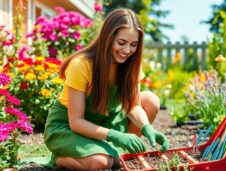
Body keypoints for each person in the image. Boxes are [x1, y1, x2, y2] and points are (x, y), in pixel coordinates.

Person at [44, 8, 169, 170]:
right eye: (121, 43)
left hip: (106, 120)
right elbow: (76, 122)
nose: (127, 51)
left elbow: (133, 105)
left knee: (151, 100)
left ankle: (114, 155)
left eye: (133, 45)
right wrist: (116, 136)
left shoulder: (131, 65)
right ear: (108, 38)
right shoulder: (81, 64)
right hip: (69, 127)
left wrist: (147, 127)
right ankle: (60, 159)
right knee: (99, 163)